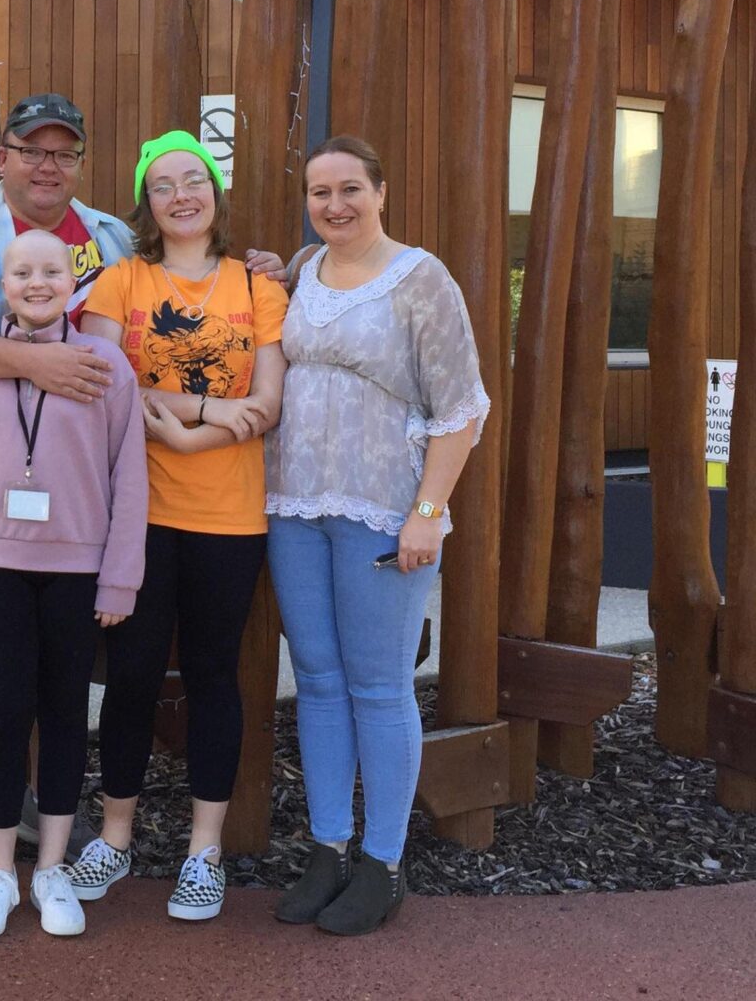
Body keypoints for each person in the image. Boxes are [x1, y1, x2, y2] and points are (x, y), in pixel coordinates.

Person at [0, 94, 287, 890]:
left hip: (91, 504)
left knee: (62, 671)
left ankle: (56, 817)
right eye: (33, 151)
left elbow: (134, 373)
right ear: (3, 153)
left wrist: (261, 274)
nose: (48, 166)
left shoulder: (111, 242)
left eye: (64, 153)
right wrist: (33, 363)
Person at [266, 135, 488, 935]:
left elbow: (461, 407)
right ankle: (328, 846)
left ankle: (383, 863)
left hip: (384, 513)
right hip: (294, 506)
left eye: (350, 189)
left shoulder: (420, 280)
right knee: (318, 681)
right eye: (320, 192)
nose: (335, 205)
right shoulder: (302, 272)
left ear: (382, 191)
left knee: (379, 684)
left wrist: (426, 515)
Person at [73, 129, 288, 922]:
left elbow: (268, 405)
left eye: (192, 178)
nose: (181, 194)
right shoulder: (119, 282)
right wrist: (213, 416)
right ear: (147, 203)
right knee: (128, 675)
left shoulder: (257, 286)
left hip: (229, 519)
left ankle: (205, 852)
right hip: (136, 513)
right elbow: (102, 387)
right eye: (162, 184)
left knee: (211, 677)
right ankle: (116, 837)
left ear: (214, 194)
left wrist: (182, 424)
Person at [0, 230, 148, 938]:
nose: (38, 281)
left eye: (52, 269)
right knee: (5, 713)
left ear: (71, 279)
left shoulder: (104, 363)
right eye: (23, 271)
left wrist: (120, 578)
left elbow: (129, 478)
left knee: (60, 715)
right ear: (6, 281)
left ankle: (50, 868)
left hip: (77, 568)